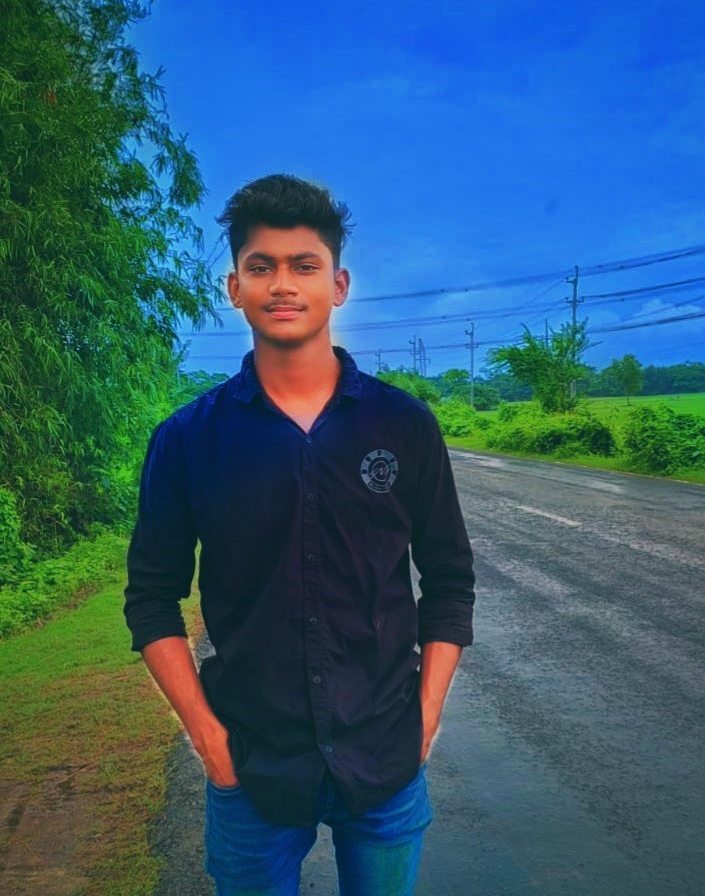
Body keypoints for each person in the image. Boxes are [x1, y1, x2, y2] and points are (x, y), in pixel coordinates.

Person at [123, 173, 475, 895]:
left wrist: (425, 718)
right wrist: (208, 740)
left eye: (304, 265)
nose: (282, 284)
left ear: (338, 285)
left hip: (385, 759)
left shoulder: (403, 425)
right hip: (252, 766)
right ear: (235, 287)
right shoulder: (188, 440)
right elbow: (151, 599)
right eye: (262, 266)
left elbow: (449, 581)